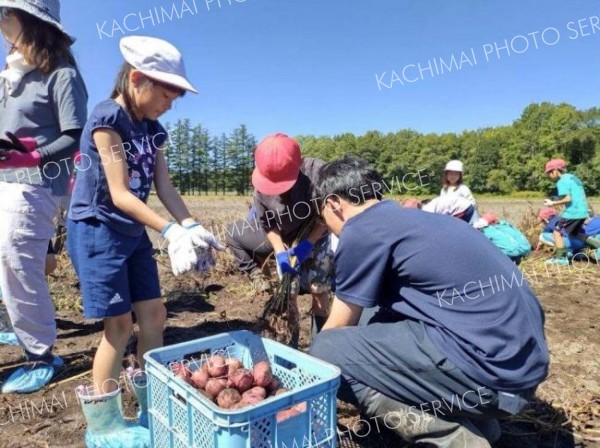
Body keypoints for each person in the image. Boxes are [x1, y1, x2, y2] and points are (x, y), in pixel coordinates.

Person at [310, 156, 549, 447]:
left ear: (334, 203)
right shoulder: (420, 220)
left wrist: (300, 378)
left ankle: (454, 438)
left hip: (489, 377)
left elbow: (337, 327)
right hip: (522, 371)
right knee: (376, 316)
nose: (327, 225)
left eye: (323, 215)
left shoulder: (360, 229)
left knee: (326, 351)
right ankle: (481, 424)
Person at [67, 35, 222, 448]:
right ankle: (104, 423)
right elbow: (118, 193)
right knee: (118, 327)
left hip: (132, 232)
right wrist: (168, 232)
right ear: (137, 79)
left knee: (154, 314)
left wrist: (191, 225)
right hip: (98, 229)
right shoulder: (106, 121)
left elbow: (164, 185)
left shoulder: (153, 131)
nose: (169, 105)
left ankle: (153, 406)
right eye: (166, 96)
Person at [0, 0, 87, 394]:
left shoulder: (62, 75)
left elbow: (75, 135)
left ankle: (40, 352)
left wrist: (33, 155)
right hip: (8, 179)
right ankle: (14, 325)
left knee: (17, 259)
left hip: (38, 183)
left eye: (5, 15)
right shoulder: (14, 76)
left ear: (29, 23)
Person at [225, 133, 334, 332]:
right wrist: (280, 251)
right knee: (288, 290)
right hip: (284, 239)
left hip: (317, 234)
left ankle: (321, 344)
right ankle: (290, 344)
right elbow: (267, 223)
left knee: (318, 288)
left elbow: (329, 214)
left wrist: (309, 243)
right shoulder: (260, 185)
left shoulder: (318, 173)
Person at [543, 159, 599, 265]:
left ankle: (561, 259)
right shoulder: (573, 178)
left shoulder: (561, 181)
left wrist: (552, 203)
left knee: (557, 232)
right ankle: (598, 245)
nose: (549, 175)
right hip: (583, 211)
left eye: (550, 172)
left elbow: (568, 198)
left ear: (555, 170)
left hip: (573, 213)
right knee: (575, 234)